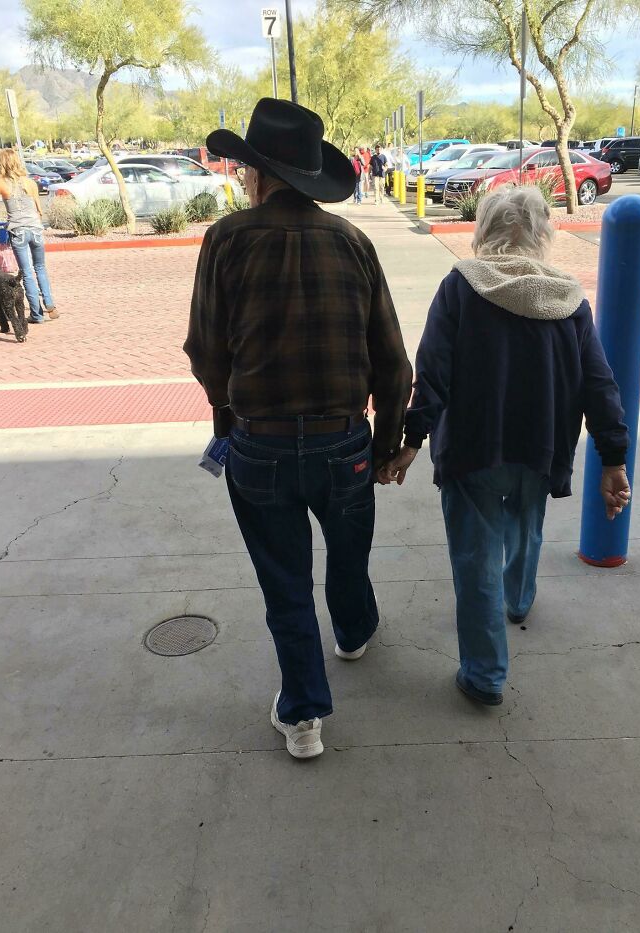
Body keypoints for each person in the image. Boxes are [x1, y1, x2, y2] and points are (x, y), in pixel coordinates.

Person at [185, 98, 412, 759]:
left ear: (258, 174)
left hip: (259, 447)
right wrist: (388, 444)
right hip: (345, 443)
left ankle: (305, 714)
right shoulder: (352, 242)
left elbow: (206, 350)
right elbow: (393, 362)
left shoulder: (226, 239)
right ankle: (354, 630)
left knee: (284, 582)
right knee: (349, 547)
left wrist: (228, 413)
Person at [380, 186, 630, 707]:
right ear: (543, 233)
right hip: (541, 449)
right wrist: (614, 458)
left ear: (484, 229)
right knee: (525, 524)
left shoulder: (462, 286)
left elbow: (433, 371)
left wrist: (412, 440)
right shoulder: (568, 298)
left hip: (472, 450)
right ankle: (518, 600)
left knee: (475, 560)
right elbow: (599, 383)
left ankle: (485, 674)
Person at [0, 148, 59, 324]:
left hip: (18, 230)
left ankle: (36, 314)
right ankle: (50, 303)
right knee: (40, 267)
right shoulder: (30, 182)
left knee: (27, 272)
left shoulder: (0, 183)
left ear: (2, 163)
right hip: (36, 229)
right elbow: (39, 210)